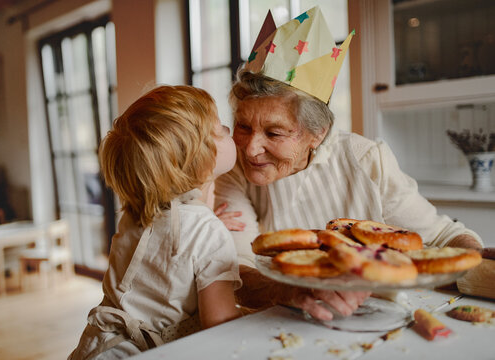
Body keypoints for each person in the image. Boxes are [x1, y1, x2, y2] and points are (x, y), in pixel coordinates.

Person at [214, 7, 483, 322]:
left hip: (382, 319)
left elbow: (443, 239)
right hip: (276, 323)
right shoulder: (232, 168)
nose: (250, 147)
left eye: (273, 132)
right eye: (243, 126)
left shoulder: (367, 161)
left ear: (318, 133)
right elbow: (236, 269)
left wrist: (478, 261)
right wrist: (288, 291)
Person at [69, 85, 242, 359]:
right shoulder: (207, 233)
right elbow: (220, 324)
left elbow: (168, 243)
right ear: (201, 158)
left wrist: (209, 227)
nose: (230, 131)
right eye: (220, 128)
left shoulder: (136, 211)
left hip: (97, 347)